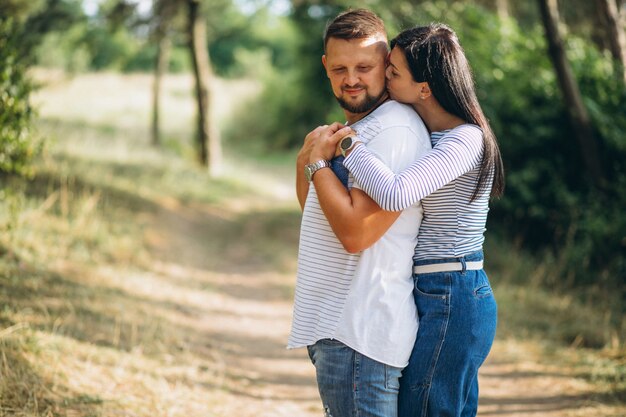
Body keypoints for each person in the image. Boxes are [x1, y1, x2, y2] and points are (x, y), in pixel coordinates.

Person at [309, 23, 505, 417]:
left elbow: (396, 192)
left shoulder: (466, 139)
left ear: (424, 89)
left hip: (454, 291)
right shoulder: (431, 134)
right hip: (435, 288)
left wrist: (347, 144)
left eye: (393, 72)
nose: (384, 78)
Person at [287, 9, 431, 417]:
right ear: (325, 68)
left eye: (364, 67)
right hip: (341, 332)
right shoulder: (361, 130)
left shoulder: (393, 130)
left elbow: (355, 234)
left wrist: (316, 165)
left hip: (361, 333)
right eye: (340, 68)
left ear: (387, 66)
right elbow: (320, 216)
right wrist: (308, 159)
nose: (351, 78)